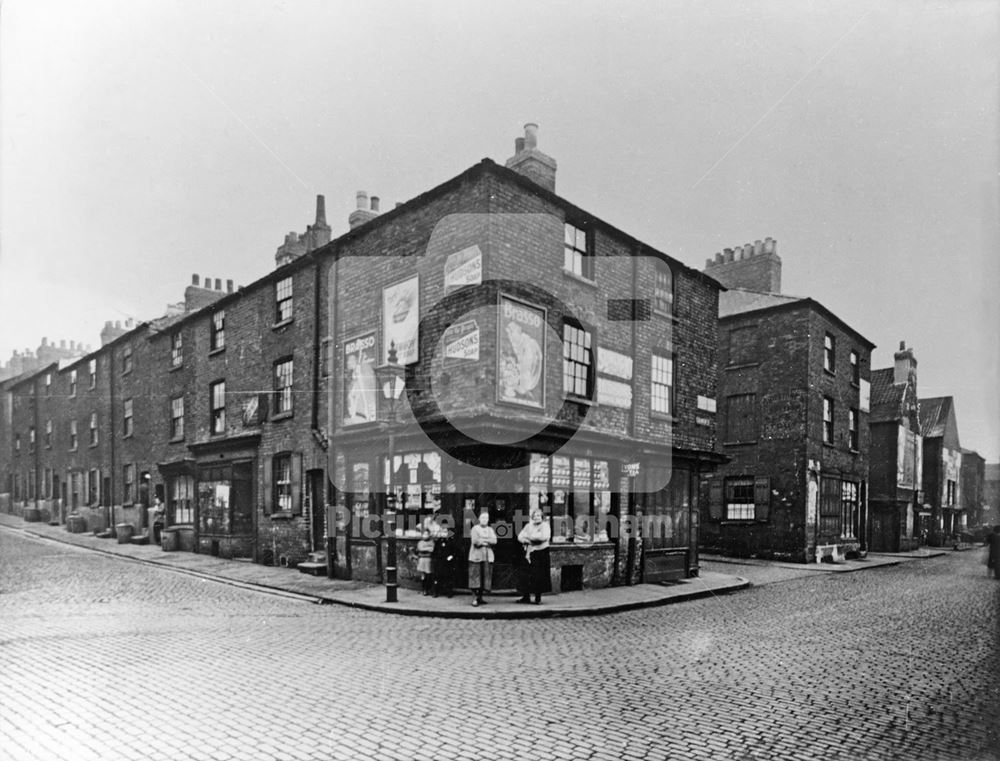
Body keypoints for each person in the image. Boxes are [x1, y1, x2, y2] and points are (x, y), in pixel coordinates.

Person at [517, 508, 552, 604]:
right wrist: (529, 539)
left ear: (542, 517)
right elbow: (520, 536)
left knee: (538, 575)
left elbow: (543, 537)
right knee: (526, 575)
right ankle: (526, 596)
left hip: (541, 553)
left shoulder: (545, 526)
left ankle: (538, 598)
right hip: (529, 552)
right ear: (532, 517)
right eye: (534, 516)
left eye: (538, 516)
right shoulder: (528, 526)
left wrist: (528, 537)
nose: (536, 517)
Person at [468, 511, 497, 607]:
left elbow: (494, 540)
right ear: (479, 519)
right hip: (476, 557)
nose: (485, 520)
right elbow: (476, 541)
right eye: (483, 518)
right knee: (475, 577)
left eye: (486, 518)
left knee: (484, 578)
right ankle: (474, 598)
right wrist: (487, 542)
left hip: (487, 557)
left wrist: (483, 540)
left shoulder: (490, 529)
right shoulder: (475, 529)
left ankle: (480, 597)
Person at [432, 526, 457, 598]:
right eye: (442, 532)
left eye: (445, 532)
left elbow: (454, 551)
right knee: (437, 577)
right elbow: (435, 551)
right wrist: (436, 558)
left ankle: (449, 592)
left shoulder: (450, 541)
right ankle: (436, 592)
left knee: (448, 577)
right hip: (439, 562)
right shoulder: (438, 542)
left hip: (448, 562)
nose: (443, 534)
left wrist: (451, 556)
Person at [416, 529, 435, 595]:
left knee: (429, 575)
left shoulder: (432, 542)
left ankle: (429, 589)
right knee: (423, 575)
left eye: (427, 534)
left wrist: (425, 550)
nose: (425, 535)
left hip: (429, 560)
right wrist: (427, 549)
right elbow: (420, 549)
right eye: (424, 534)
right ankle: (424, 590)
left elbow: (432, 550)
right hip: (422, 560)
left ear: (429, 535)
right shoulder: (420, 542)